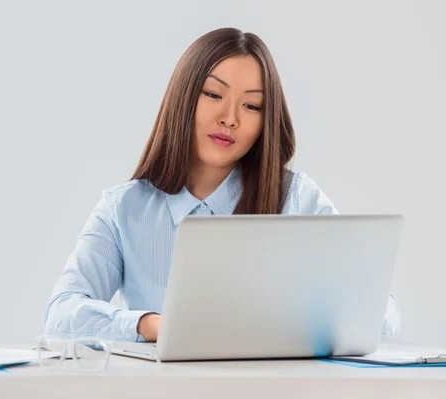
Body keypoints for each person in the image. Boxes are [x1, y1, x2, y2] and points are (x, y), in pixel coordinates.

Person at [42, 27, 400, 343]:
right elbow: (61, 316)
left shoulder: (296, 199)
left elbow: (382, 318)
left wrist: (298, 320)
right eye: (213, 95)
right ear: (183, 98)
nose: (229, 118)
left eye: (252, 105)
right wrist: (153, 325)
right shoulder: (123, 208)